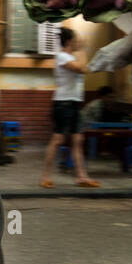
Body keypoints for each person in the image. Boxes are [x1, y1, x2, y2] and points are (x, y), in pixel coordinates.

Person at [42, 26, 98, 188]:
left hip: (75, 103)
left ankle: (82, 176)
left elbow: (83, 68)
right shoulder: (61, 57)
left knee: (78, 140)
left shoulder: (71, 57)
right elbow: (81, 69)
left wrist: (80, 51)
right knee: (58, 139)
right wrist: (82, 50)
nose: (77, 43)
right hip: (62, 103)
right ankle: (45, 176)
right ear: (69, 41)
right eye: (75, 40)